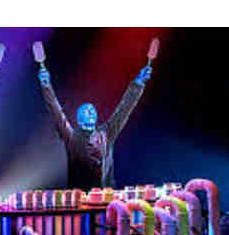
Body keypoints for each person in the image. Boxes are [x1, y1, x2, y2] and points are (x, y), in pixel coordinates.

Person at [38, 57, 151, 189]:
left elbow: (124, 109)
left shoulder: (106, 133)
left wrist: (138, 83)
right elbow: (56, 111)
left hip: (105, 194)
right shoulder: (72, 137)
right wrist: (46, 86)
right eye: (86, 110)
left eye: (92, 110)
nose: (90, 111)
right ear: (79, 119)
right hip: (79, 196)